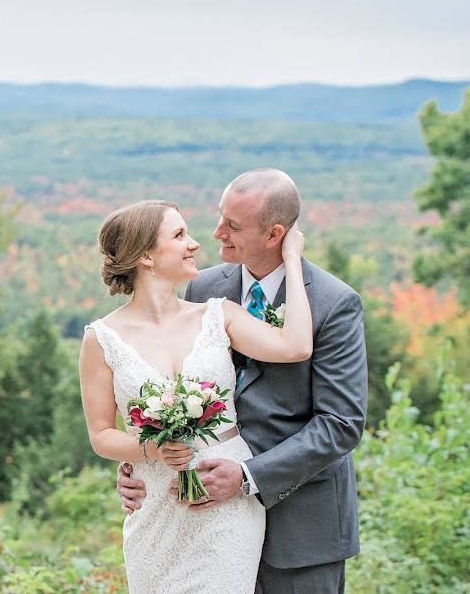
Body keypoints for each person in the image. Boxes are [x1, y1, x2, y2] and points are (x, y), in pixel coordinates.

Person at [116, 168, 367, 593]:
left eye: (232, 226)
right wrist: (141, 460)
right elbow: (171, 389)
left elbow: (340, 424)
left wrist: (248, 475)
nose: (216, 234)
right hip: (206, 527)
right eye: (219, 218)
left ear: (274, 234)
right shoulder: (202, 287)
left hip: (301, 530)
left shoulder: (333, 303)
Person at [80, 190, 313, 593]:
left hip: (225, 500)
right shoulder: (101, 339)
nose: (194, 243)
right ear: (147, 257)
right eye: (179, 235)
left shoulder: (218, 315)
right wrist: (151, 450)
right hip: (154, 504)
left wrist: (292, 260)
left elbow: (295, 347)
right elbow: (102, 435)